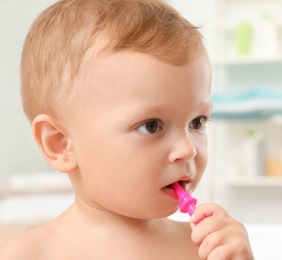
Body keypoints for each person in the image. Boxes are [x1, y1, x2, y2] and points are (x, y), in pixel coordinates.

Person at [0, 0, 254, 259]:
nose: (187, 149)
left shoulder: (202, 248)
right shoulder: (26, 254)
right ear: (61, 143)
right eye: (151, 126)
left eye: (197, 122)